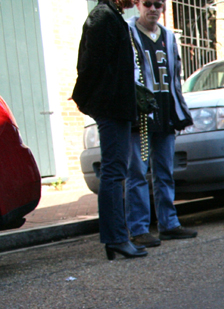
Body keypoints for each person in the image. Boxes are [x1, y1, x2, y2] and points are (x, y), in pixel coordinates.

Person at [72, 0, 146, 260]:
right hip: (111, 107)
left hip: (116, 107)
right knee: (114, 173)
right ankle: (115, 238)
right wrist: (85, 98)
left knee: (116, 172)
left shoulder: (111, 17)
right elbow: (90, 65)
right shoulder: (103, 18)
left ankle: (116, 238)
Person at [126, 0, 196, 247]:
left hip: (165, 112)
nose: (153, 9)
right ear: (137, 4)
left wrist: (179, 110)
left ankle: (169, 224)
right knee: (137, 171)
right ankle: (139, 228)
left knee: (165, 171)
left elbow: (176, 76)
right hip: (142, 116)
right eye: (148, 3)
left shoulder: (168, 36)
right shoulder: (128, 31)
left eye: (159, 4)